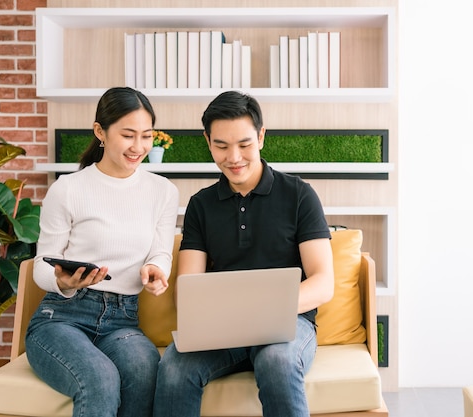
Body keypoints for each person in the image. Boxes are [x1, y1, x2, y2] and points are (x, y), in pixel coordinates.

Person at [153, 91, 334, 417]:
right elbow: (188, 289)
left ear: (261, 136)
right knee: (174, 367)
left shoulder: (298, 195)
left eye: (244, 144)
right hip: (223, 330)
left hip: (287, 326)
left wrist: (264, 310)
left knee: (278, 362)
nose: (233, 157)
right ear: (207, 141)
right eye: (221, 146)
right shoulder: (200, 205)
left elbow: (322, 283)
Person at [25, 86, 179, 417]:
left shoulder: (163, 192)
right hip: (62, 319)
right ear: (100, 132)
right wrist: (64, 284)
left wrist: (155, 269)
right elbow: (41, 266)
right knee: (99, 377)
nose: (138, 147)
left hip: (123, 320)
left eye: (147, 136)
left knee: (146, 369)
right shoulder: (68, 189)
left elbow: (161, 252)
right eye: (128, 135)